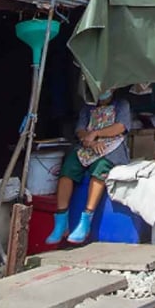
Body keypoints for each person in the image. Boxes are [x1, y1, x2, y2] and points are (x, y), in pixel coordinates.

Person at [48, 87, 133, 245]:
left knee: (100, 168)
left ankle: (86, 221)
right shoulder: (88, 107)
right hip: (89, 146)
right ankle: (61, 222)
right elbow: (80, 130)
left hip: (112, 148)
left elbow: (120, 127)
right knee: (68, 167)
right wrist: (89, 139)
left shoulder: (122, 104)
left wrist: (97, 133)